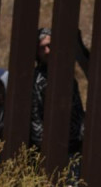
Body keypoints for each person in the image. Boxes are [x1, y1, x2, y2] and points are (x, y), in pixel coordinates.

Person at [30, 28, 85, 158]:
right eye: (42, 48)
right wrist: (44, 145)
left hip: (74, 146)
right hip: (48, 148)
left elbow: (77, 109)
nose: (47, 51)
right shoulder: (35, 79)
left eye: (50, 46)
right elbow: (35, 116)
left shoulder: (67, 76)